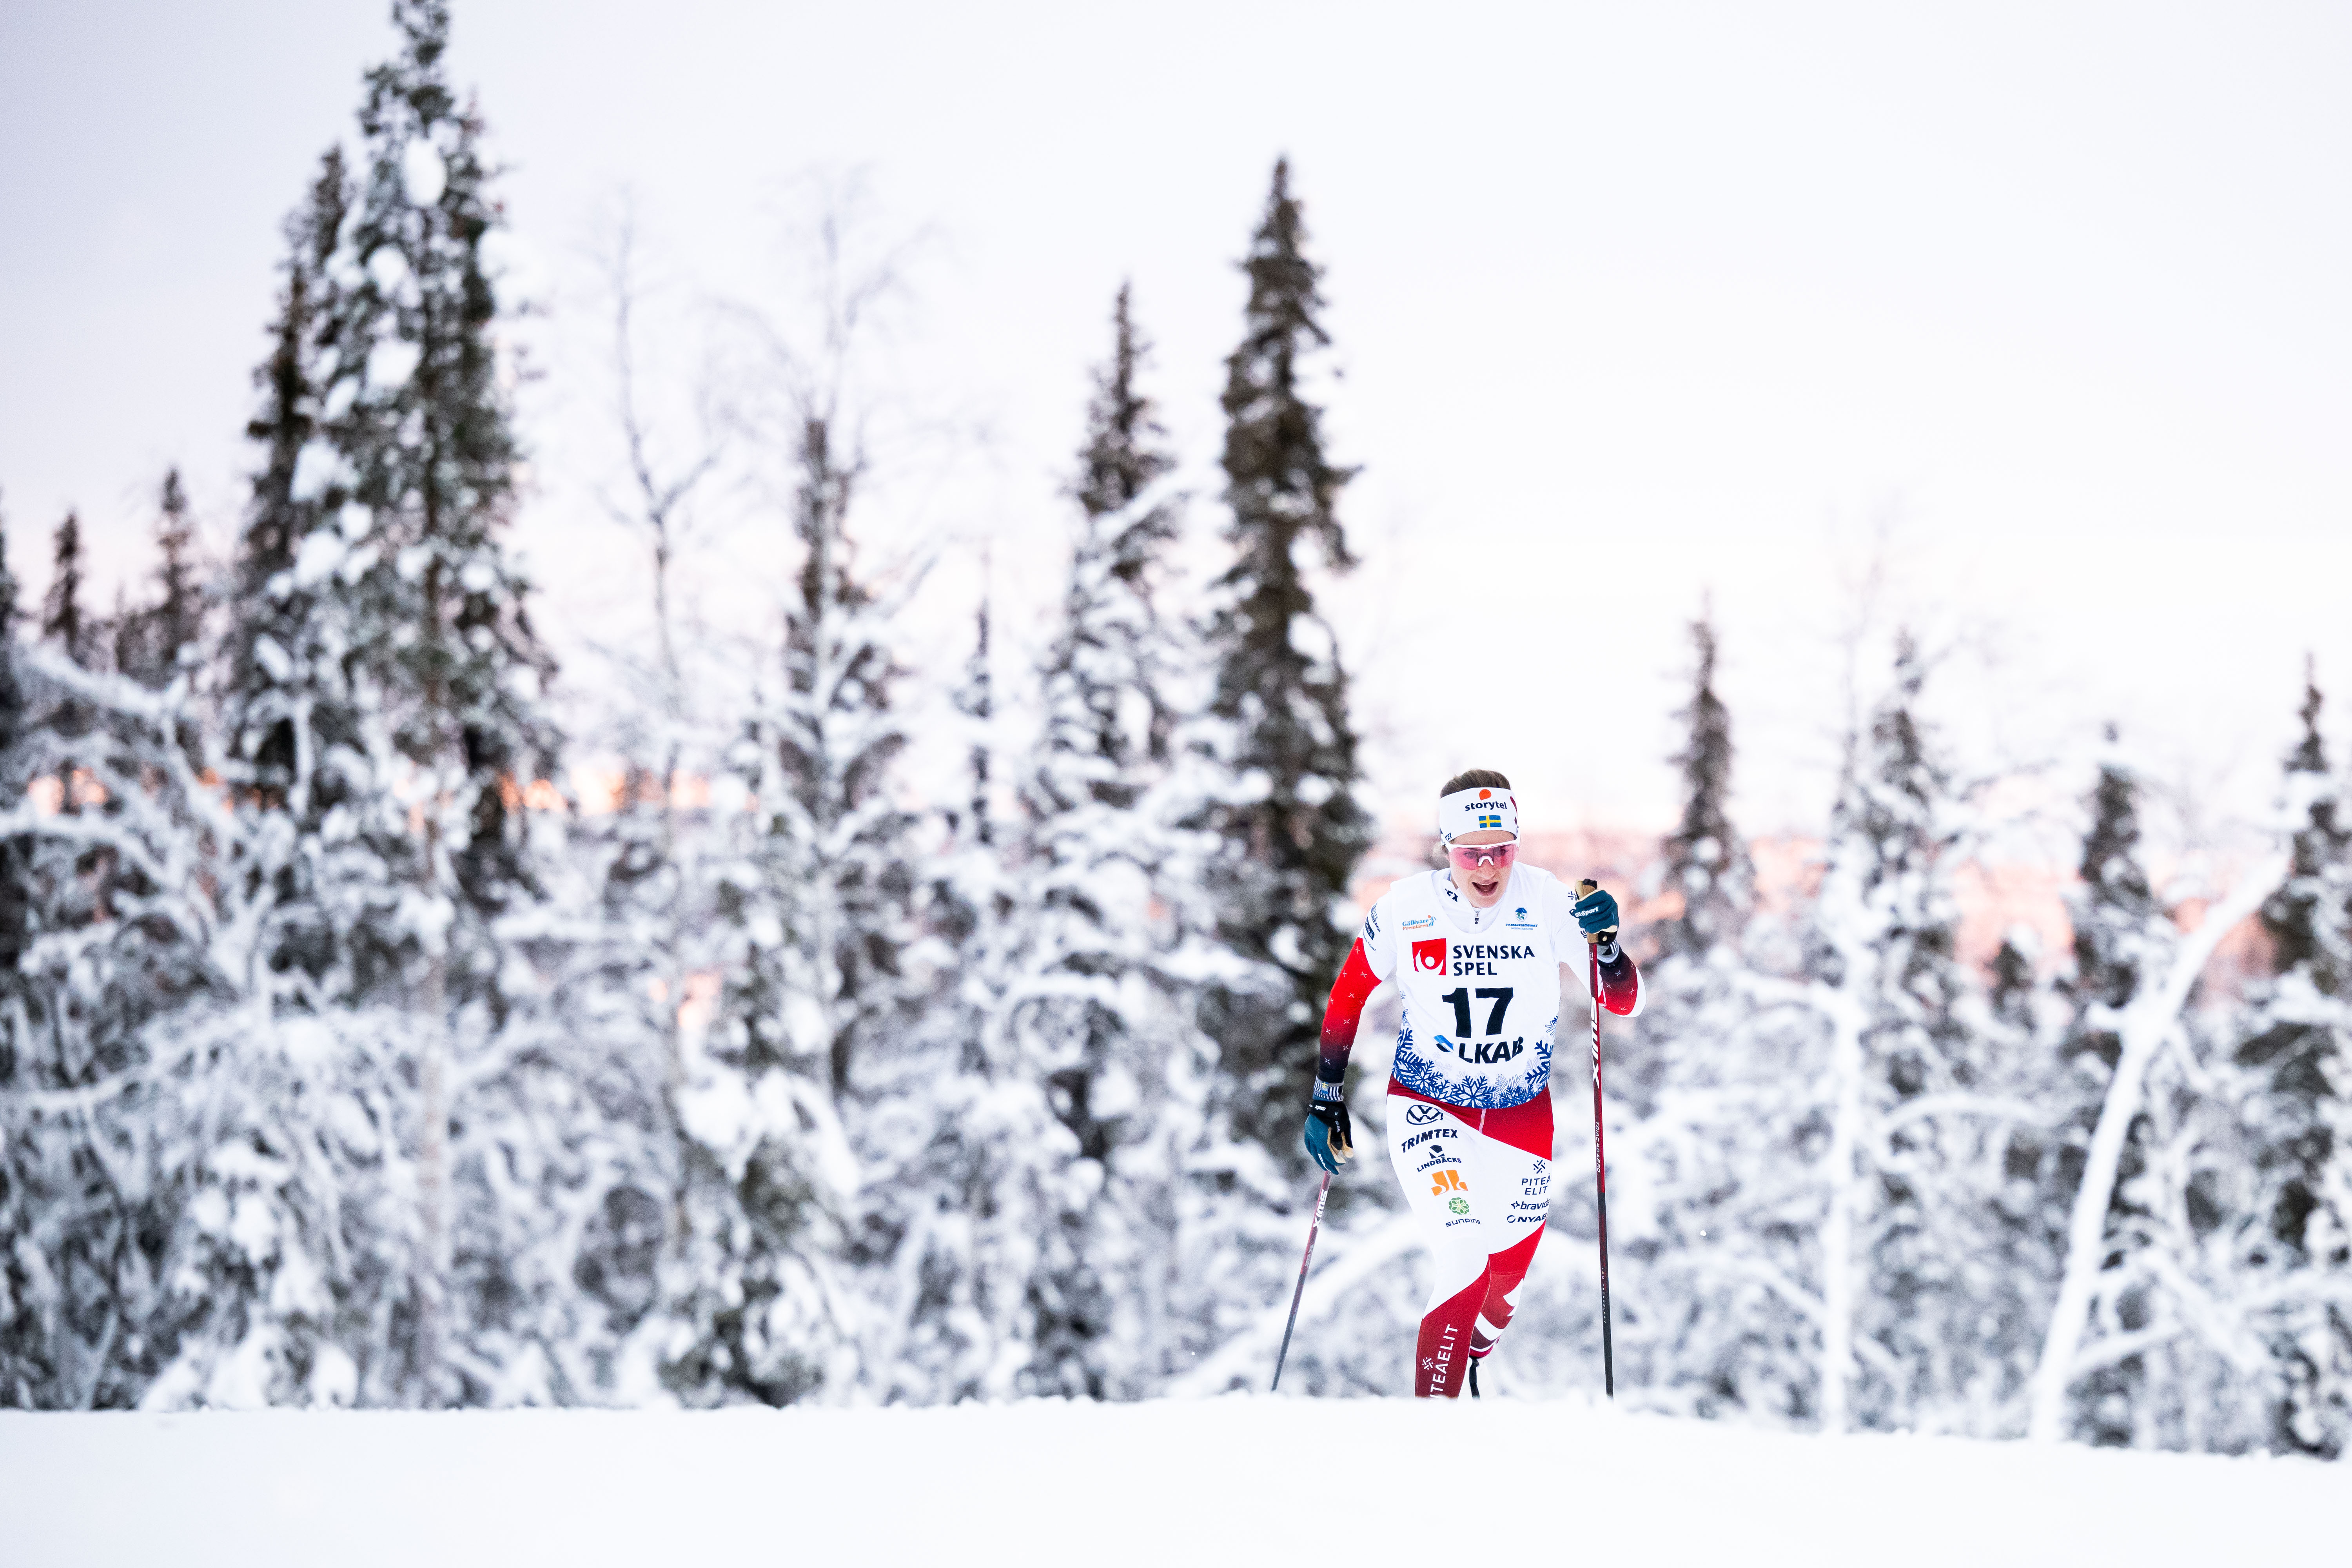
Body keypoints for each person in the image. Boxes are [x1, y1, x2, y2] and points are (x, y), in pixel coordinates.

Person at [1303, 769, 1642, 1398]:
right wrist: (1327, 1095)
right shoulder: (1405, 908)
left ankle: (1472, 1363)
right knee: (1464, 1253)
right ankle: (1437, 1427)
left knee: (1504, 1285)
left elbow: (1623, 1001)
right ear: (1446, 848)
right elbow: (1349, 993)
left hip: (1521, 1117)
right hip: (1429, 1104)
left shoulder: (1548, 902)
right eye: (1470, 853)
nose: (1487, 868)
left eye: (1501, 851)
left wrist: (1609, 951)